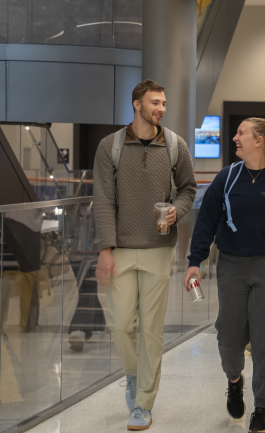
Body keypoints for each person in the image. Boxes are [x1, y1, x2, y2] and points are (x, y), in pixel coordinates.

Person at [185, 118, 265, 431]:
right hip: (231, 266)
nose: (235, 138)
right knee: (228, 337)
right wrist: (195, 260)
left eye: (241, 133)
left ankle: (261, 406)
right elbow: (207, 220)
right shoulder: (228, 177)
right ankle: (234, 379)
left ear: (258, 141)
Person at [93, 79, 197, 430]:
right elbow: (104, 200)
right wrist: (105, 249)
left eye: (164, 103)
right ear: (136, 104)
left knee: (151, 331)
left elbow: (188, 188)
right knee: (121, 326)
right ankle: (133, 375)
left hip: (158, 250)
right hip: (121, 250)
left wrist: (177, 211)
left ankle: (144, 403)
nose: (161, 108)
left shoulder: (174, 145)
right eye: (155, 102)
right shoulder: (111, 146)